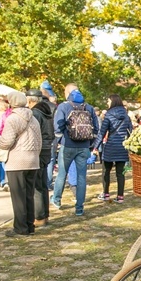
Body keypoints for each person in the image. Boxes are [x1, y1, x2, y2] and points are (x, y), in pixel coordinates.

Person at [0, 91, 42, 237]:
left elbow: (7, 141)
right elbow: (39, 141)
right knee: (29, 195)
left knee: (18, 196)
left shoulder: (12, 119)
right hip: (33, 160)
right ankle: (29, 225)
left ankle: (20, 228)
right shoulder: (34, 119)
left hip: (17, 160)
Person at [51, 83, 99, 216]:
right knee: (82, 176)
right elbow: (96, 127)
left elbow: (57, 125)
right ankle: (79, 207)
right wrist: (90, 143)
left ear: (67, 94)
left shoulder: (64, 106)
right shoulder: (89, 108)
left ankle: (56, 200)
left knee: (62, 173)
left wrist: (60, 140)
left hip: (68, 145)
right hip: (84, 147)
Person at [94, 93, 133, 203]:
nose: (107, 103)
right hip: (122, 147)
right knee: (120, 173)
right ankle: (120, 196)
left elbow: (102, 132)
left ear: (112, 101)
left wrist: (95, 146)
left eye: (108, 101)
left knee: (106, 171)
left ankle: (106, 193)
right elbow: (131, 132)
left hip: (110, 146)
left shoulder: (109, 115)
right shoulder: (126, 116)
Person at [26, 89, 55, 226]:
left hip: (39, 149)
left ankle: (39, 216)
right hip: (47, 148)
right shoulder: (47, 111)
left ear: (31, 100)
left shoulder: (35, 113)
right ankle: (44, 215)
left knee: (37, 186)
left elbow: (33, 134)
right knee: (42, 184)